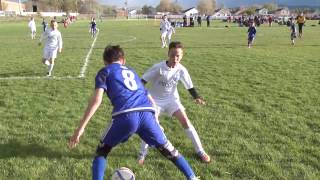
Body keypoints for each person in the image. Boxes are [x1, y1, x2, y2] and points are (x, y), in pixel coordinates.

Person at [69, 45, 199, 180]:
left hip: (125, 115)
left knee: (102, 152)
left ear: (105, 62)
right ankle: (192, 177)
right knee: (169, 150)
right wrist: (155, 119)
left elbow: (96, 100)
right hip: (147, 114)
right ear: (123, 60)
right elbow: (148, 96)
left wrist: (80, 129)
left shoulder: (105, 71)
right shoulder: (131, 71)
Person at [137, 41, 211, 165]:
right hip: (155, 101)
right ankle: (142, 154)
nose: (175, 58)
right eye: (173, 55)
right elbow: (142, 81)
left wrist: (196, 97)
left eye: (178, 56)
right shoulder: (158, 67)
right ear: (168, 54)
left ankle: (200, 151)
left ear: (182, 56)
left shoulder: (181, 70)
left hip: (172, 100)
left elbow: (190, 86)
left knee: (186, 122)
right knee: (150, 126)